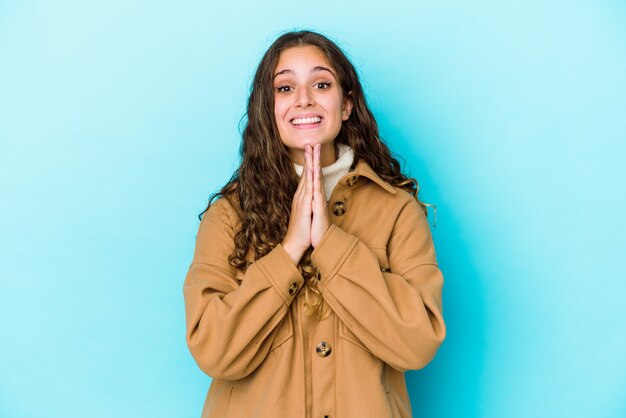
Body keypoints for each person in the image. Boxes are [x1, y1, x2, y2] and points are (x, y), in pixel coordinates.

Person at [183, 29, 446, 418]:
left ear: (346, 105)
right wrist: (290, 248)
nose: (304, 98)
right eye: (285, 88)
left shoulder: (397, 211)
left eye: (321, 84)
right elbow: (214, 352)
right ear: (267, 108)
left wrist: (330, 245)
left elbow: (418, 342)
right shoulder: (229, 214)